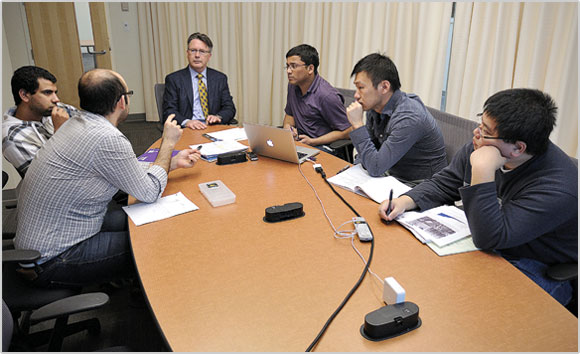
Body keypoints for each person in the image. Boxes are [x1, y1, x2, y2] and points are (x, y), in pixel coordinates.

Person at [379, 88, 578, 306]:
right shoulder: (485, 144)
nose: (476, 134)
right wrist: (405, 201)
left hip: (538, 264)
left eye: (486, 131)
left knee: (477, 309)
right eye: (480, 124)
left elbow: (490, 237)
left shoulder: (560, 187)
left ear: (517, 148)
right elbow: (446, 182)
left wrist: (482, 170)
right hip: (491, 246)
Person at [14, 69, 202, 288]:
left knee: (145, 220)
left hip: (47, 240)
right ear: (122, 101)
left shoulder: (76, 123)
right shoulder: (108, 138)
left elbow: (119, 168)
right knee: (161, 240)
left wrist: (170, 162)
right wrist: (167, 143)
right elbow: (150, 192)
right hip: (54, 258)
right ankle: (153, 305)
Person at [347, 53, 447, 184]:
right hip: (392, 176)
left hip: (422, 186)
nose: (356, 95)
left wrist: (358, 126)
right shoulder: (374, 108)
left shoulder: (409, 117)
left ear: (384, 87)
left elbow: (376, 167)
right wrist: (355, 171)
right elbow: (369, 150)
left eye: (361, 88)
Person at [3, 66, 77, 176]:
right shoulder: (13, 136)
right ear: (24, 95)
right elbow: (52, 177)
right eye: (47, 93)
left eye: (55, 92)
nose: (56, 99)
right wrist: (60, 133)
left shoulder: (54, 110)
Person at [283, 44, 352, 152]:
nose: (288, 71)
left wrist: (313, 141)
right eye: (287, 66)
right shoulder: (293, 85)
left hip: (322, 147)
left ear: (310, 69)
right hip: (300, 144)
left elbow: (348, 131)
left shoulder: (326, 96)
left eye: (293, 66)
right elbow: (290, 115)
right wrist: (288, 128)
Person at [163, 32, 236, 130]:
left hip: (212, 128)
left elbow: (229, 108)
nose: (197, 55)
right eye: (193, 50)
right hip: (186, 129)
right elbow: (169, 110)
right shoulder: (174, 79)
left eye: (202, 51)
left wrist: (218, 117)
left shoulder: (220, 78)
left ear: (209, 56)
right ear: (187, 53)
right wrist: (187, 122)